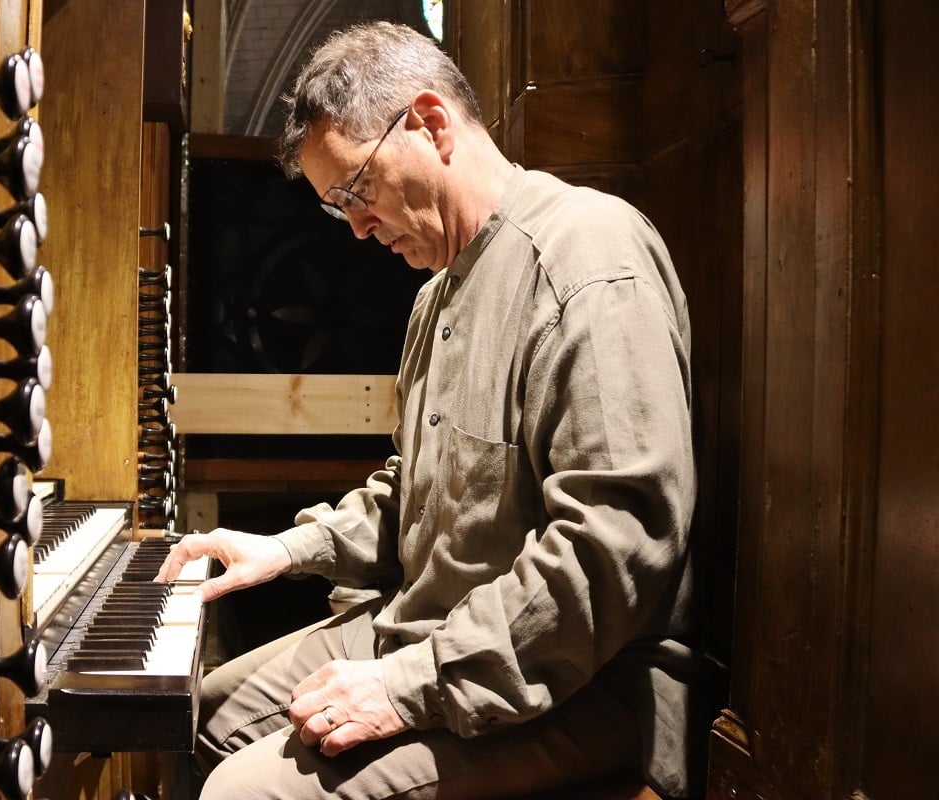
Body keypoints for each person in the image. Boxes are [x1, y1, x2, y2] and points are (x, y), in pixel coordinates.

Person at [158, 20, 700, 800]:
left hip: (592, 677)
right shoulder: (433, 298)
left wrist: (406, 685)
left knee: (242, 794)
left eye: (355, 190)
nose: (354, 225)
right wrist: (286, 550)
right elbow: (413, 490)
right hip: (433, 624)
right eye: (336, 206)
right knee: (201, 710)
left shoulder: (591, 256)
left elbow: (613, 549)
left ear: (431, 123)